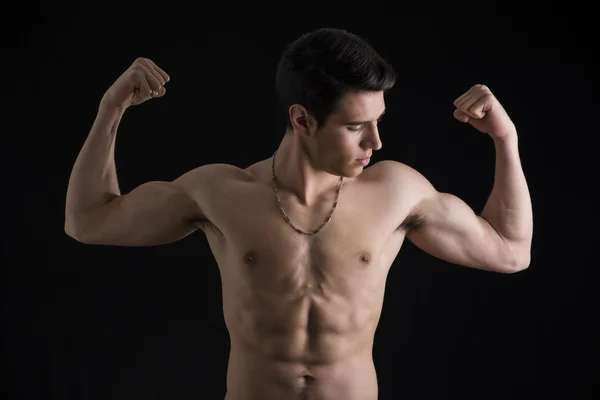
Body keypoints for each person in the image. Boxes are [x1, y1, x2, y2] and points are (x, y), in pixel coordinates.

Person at [65, 28, 533, 400]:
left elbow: (510, 251)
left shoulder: (395, 192)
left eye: (378, 122)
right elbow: (88, 221)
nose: (376, 142)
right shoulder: (222, 192)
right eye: (355, 127)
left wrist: (505, 140)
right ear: (301, 120)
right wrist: (111, 109)